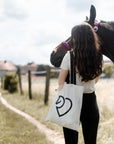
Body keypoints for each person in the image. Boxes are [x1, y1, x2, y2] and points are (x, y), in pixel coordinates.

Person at [58, 23, 103, 144]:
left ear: (75, 38)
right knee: (91, 140)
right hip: (90, 101)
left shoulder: (69, 56)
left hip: (72, 100)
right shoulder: (99, 56)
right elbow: (96, 80)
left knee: (71, 141)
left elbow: (60, 82)